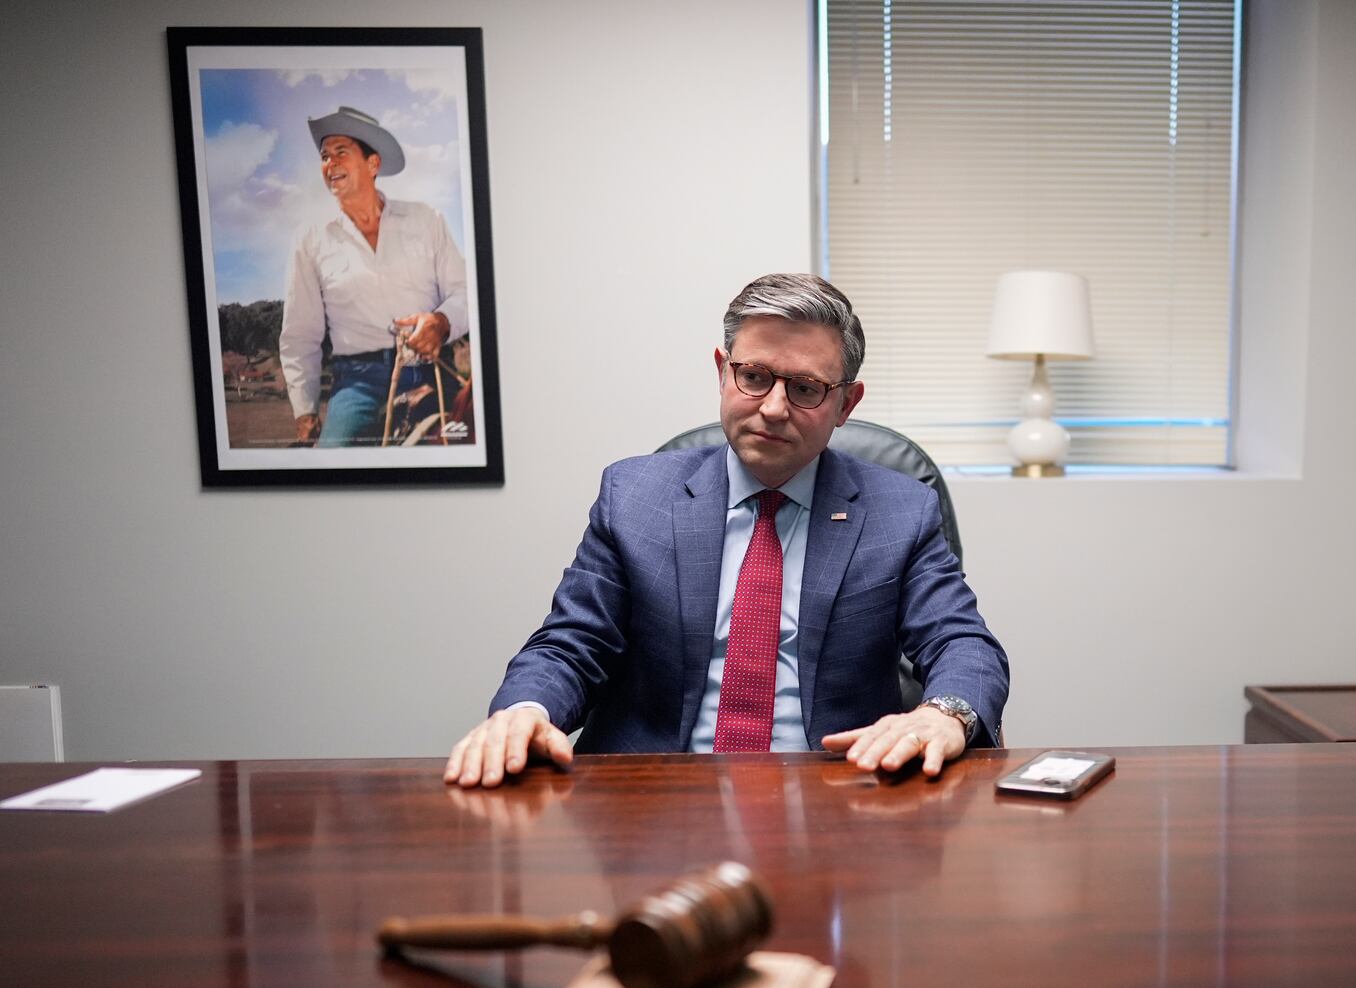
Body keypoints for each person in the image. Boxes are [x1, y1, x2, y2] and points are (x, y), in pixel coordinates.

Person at [445, 274, 1008, 787]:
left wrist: (945, 713)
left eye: (806, 388)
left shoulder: (901, 510)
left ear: (845, 404)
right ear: (723, 370)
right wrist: (525, 713)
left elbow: (962, 642)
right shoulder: (634, 497)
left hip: (838, 792)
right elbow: (571, 646)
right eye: (755, 377)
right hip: (649, 796)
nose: (773, 409)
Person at [278, 106, 468, 447]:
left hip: (432, 368)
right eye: (324, 157)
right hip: (357, 383)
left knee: (468, 451)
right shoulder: (310, 238)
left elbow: (466, 293)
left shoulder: (426, 220)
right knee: (331, 472)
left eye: (340, 153)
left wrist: (441, 321)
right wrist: (305, 412)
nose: (330, 164)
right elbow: (300, 333)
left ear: (373, 164)